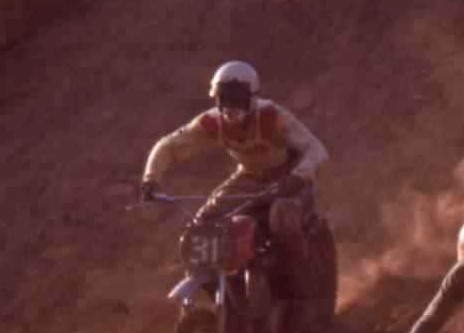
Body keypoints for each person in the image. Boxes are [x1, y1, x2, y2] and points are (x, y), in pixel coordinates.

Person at [139, 60, 326, 282]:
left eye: (237, 99)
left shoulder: (271, 116)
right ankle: (215, 283)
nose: (231, 107)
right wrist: (151, 179)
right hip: (248, 177)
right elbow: (169, 146)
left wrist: (298, 176)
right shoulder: (212, 122)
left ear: (252, 99)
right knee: (203, 225)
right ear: (216, 99)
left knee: (282, 216)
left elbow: (316, 149)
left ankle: (303, 277)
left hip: (287, 177)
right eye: (224, 99)